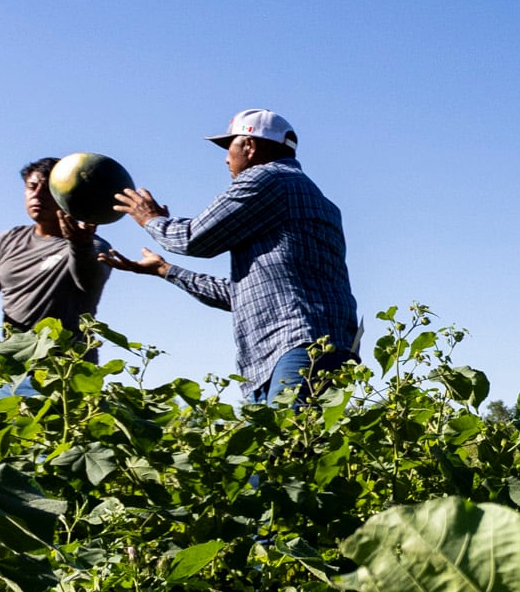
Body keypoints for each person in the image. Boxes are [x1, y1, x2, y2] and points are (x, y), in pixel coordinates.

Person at [96, 109, 359, 404]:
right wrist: (166, 270)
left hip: (298, 343)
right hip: (313, 343)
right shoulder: (314, 199)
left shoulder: (267, 178)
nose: (225, 158)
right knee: (293, 447)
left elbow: (193, 239)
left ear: (249, 145)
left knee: (291, 447)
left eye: (229, 146)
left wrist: (151, 219)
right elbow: (243, 295)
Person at [0, 159, 111, 395]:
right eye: (32, 187)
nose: (37, 195)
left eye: (48, 189)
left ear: (67, 193)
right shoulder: (7, 241)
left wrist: (79, 245)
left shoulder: (92, 245)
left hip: (67, 374)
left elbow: (90, 282)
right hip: (15, 373)